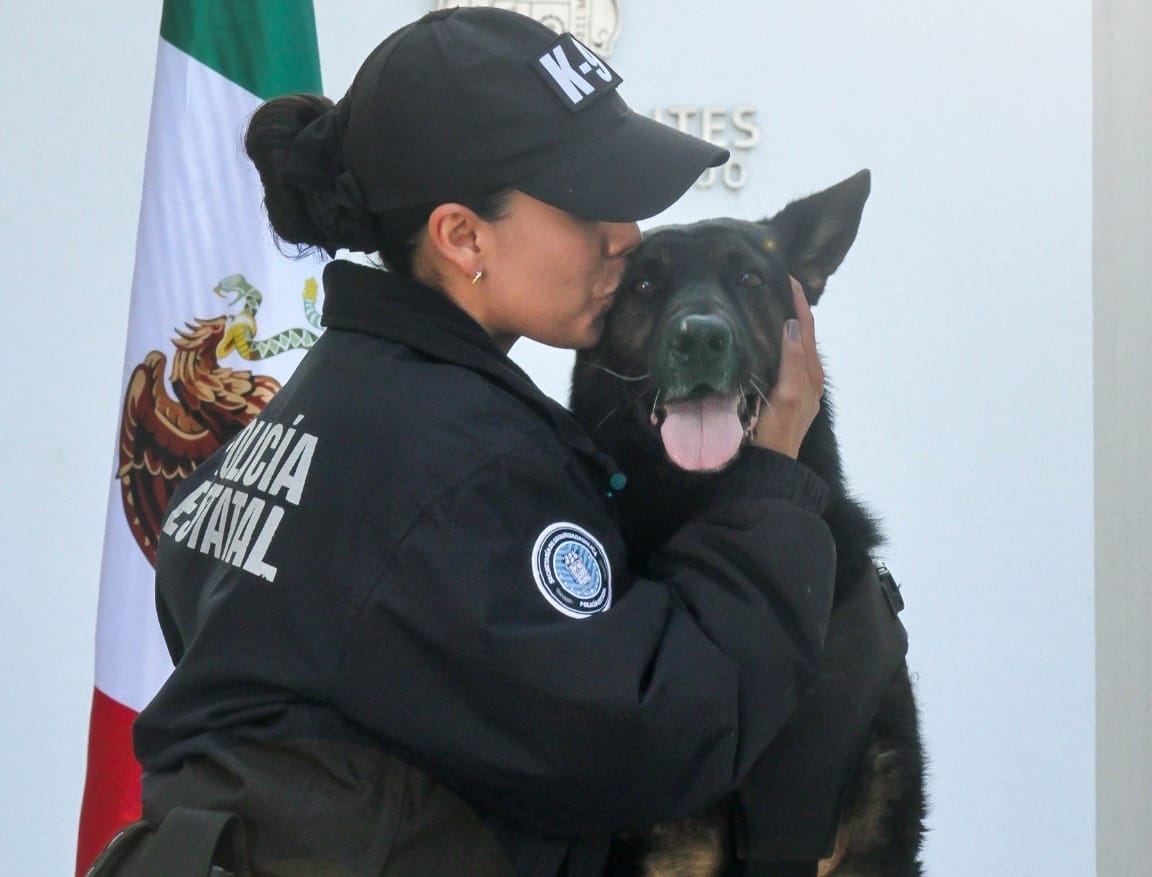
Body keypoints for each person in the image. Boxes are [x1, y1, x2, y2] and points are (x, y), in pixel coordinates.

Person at [121, 8, 841, 877]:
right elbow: (657, 732)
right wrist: (772, 486)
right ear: (463, 236)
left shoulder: (331, 398)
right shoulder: (465, 460)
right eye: (588, 203)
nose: (626, 236)